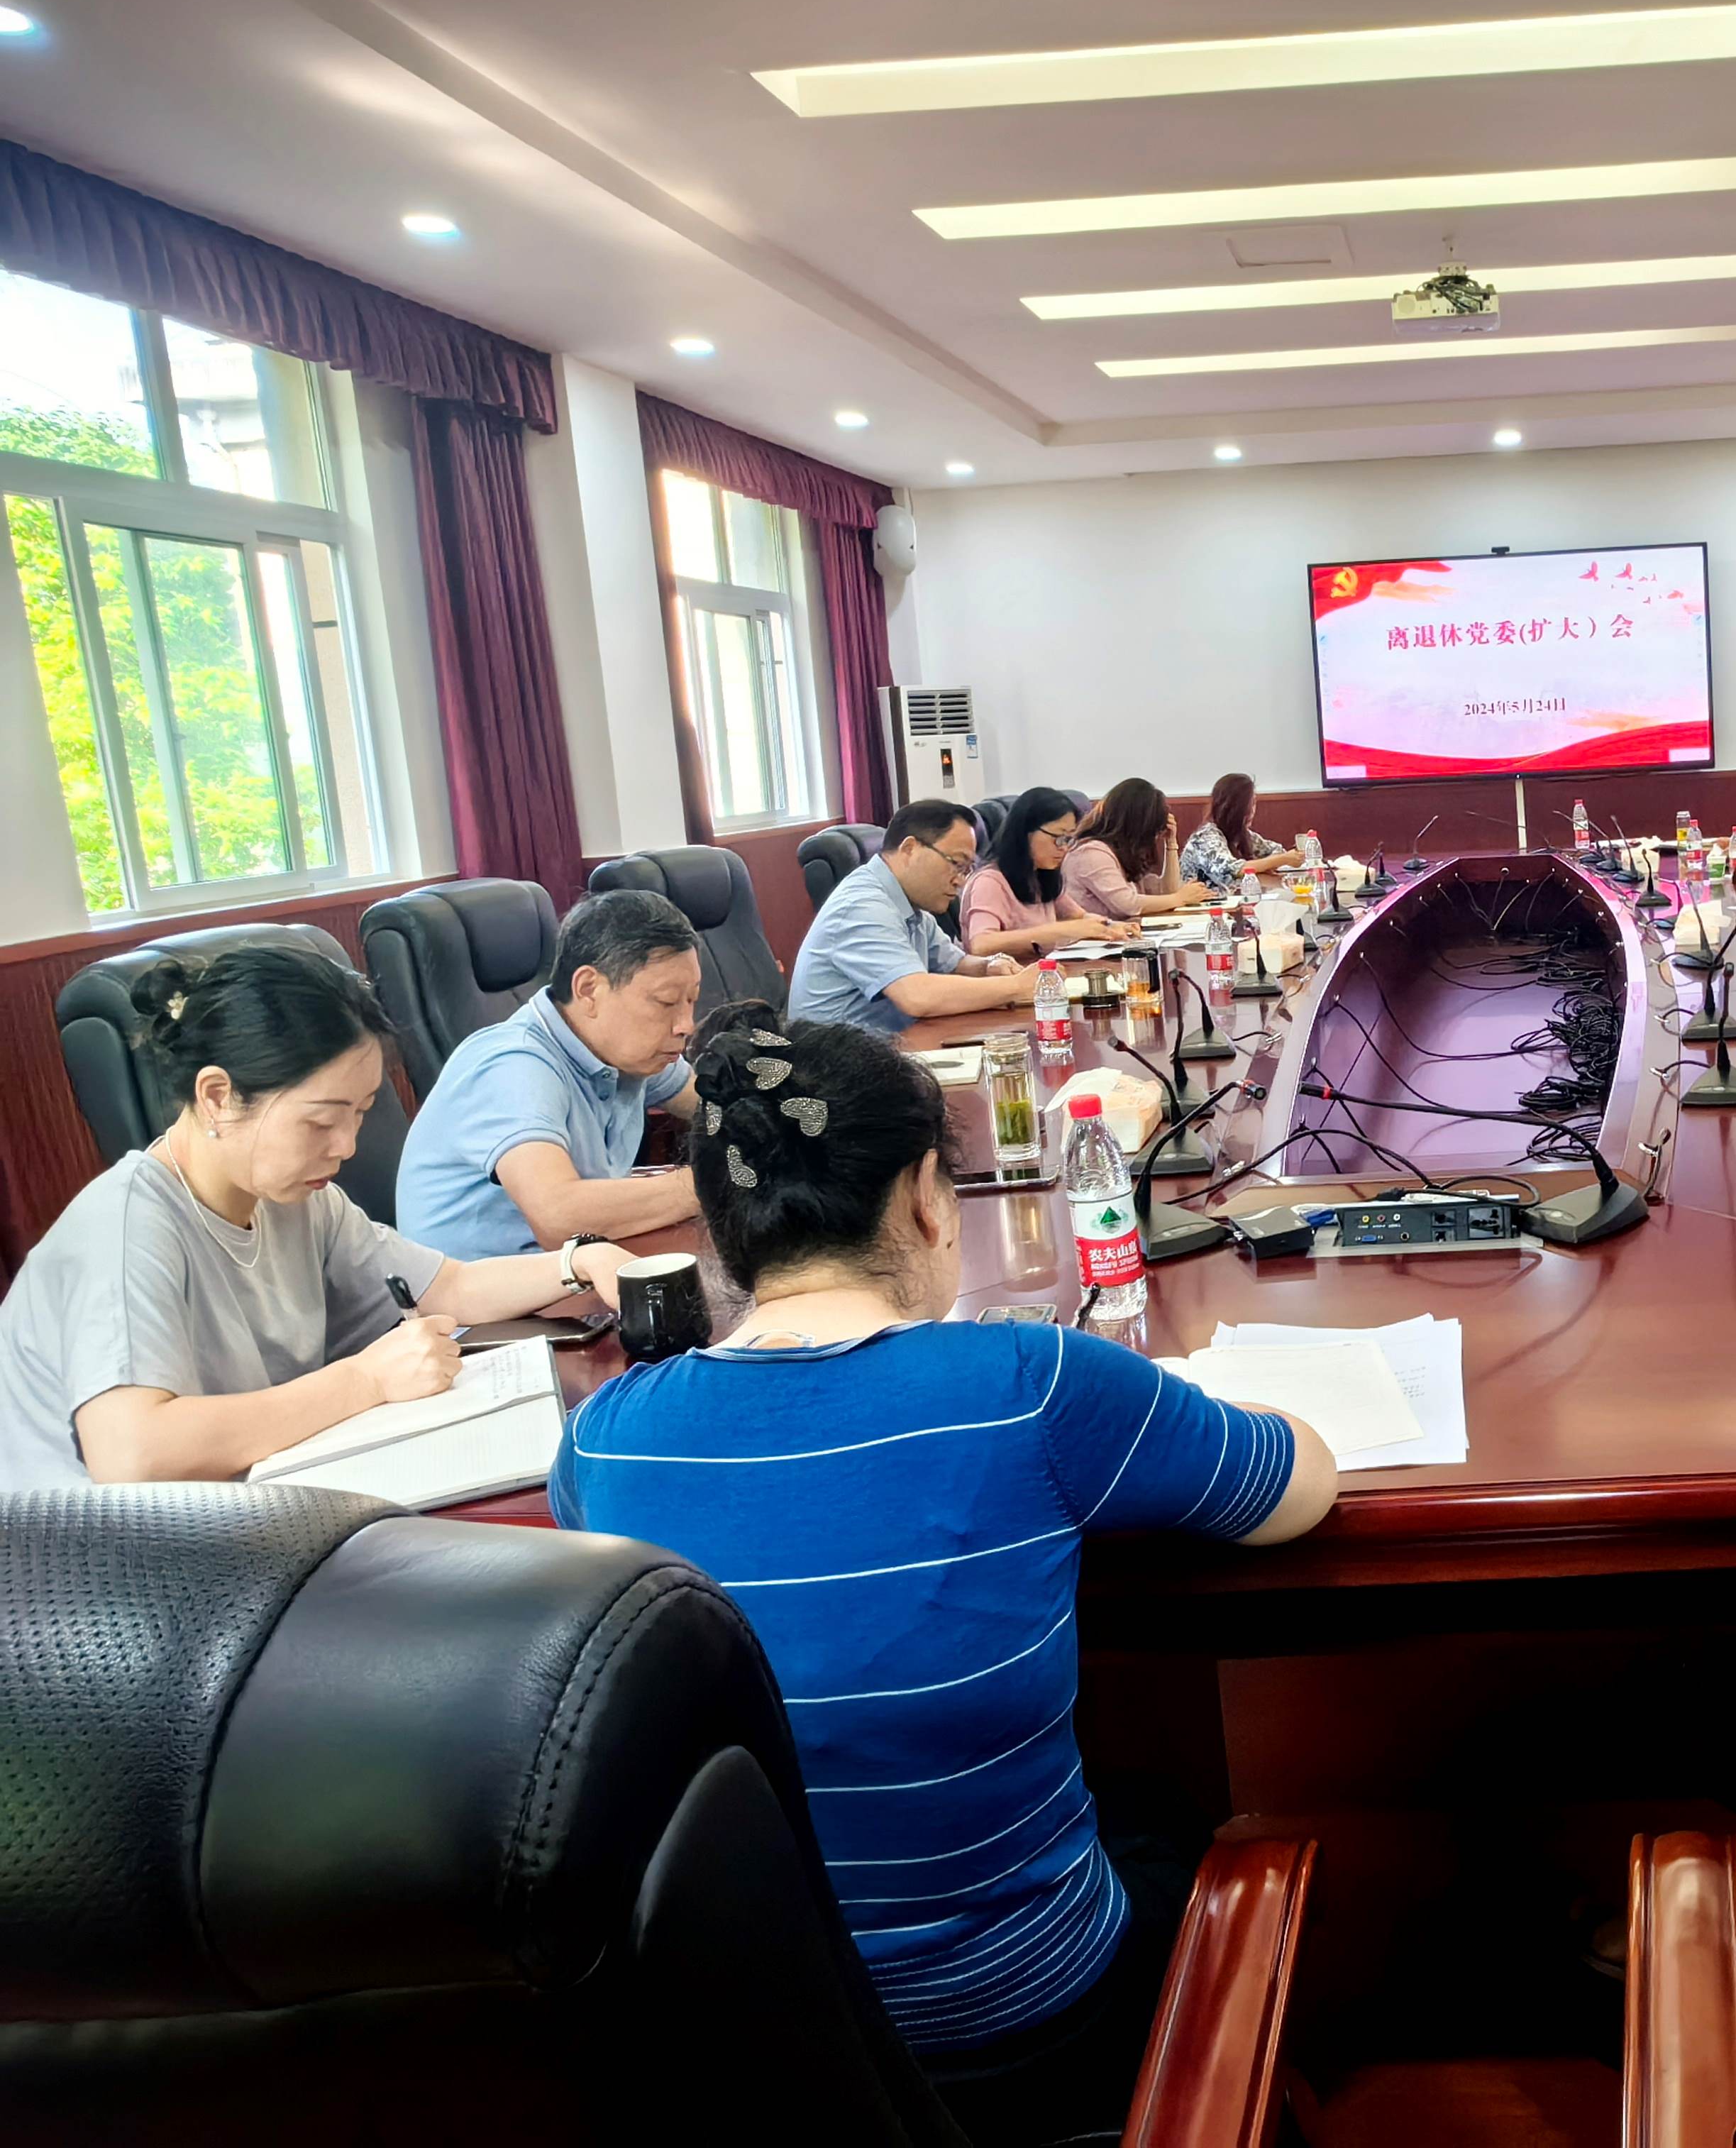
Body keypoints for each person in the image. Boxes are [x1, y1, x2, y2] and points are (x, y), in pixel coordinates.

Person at [553, 1006, 1337, 2144]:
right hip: (1023, 2022)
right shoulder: (1029, 1381)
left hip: (767, 2051)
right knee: (1172, 1827)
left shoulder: (606, 1437)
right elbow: (1297, 1488)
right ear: (928, 1196)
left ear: (720, 1232)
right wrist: (1211, 1408)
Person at [0, 946, 636, 1487]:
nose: (347, 1146)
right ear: (217, 1095)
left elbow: (449, 1286)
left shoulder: (294, 1199)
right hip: (94, 1571)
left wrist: (582, 1261)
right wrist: (366, 1380)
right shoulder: (125, 1228)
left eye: (359, 1114)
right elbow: (132, 1455)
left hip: (246, 1507)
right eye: (321, 1120)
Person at [395, 889, 705, 1260]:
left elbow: (711, 1101)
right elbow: (560, 1218)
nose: (686, 1025)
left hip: (573, 1272)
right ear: (588, 990)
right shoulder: (514, 1067)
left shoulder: (627, 1052)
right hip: (485, 1290)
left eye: (691, 1000)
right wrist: (717, 1181)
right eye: (666, 1002)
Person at [792, 798, 1034, 1035]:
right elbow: (917, 996)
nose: (960, 882)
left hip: (891, 1043)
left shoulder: (911, 905)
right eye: (957, 864)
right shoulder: (862, 906)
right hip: (837, 1057)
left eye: (967, 870)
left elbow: (954, 965)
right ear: (909, 849)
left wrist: (989, 966)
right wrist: (1017, 986)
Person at [958, 787, 1139, 956]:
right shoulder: (990, 882)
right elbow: (981, 944)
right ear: (1025, 832)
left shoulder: (1041, 874)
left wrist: (1110, 926)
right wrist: (1058, 931)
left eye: (1068, 839)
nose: (1064, 848)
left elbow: (1079, 916)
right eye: (1058, 838)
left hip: (1044, 972)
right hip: (1006, 977)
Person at [1064, 778, 1216, 920]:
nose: (1152, 840)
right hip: (1090, 937)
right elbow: (1127, 905)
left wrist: (1171, 844)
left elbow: (1168, 890)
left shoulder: (1120, 851)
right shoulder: (1092, 853)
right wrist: (1180, 899)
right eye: (1152, 833)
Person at [1178, 772, 1304, 893]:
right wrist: (1282, 860)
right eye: (1250, 805)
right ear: (1233, 808)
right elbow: (1231, 870)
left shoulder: (1242, 835)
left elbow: (1276, 851)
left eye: (1254, 804)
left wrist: (1271, 864)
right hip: (1200, 905)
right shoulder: (1205, 837)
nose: (1253, 811)